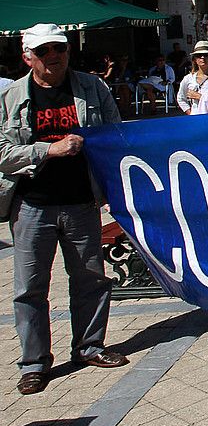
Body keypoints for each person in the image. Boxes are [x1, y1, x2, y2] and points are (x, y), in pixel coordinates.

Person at [0, 23, 130, 395]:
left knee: (91, 279)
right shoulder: (10, 97)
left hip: (80, 202)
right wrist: (47, 150)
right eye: (44, 52)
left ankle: (89, 347)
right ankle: (34, 364)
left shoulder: (92, 87)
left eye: (59, 48)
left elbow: (114, 137)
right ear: (28, 57)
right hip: (31, 206)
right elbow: (2, 154)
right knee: (29, 288)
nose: (53, 56)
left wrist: (111, 187)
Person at [176, 41, 208, 114]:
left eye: (206, 55)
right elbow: (181, 98)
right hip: (195, 120)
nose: (202, 57)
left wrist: (200, 97)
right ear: (194, 59)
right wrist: (190, 113)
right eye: (199, 55)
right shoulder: (188, 79)